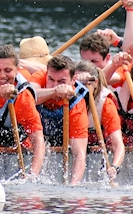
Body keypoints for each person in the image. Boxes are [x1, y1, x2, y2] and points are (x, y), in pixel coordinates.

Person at [0, 44, 47, 177]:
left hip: (17, 148)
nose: (2, 76)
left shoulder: (24, 97)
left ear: (17, 70)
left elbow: (38, 141)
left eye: (8, 70)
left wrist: (33, 175)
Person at [28, 55, 90, 185]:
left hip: (63, 142)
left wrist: (72, 186)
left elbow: (79, 154)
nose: (54, 84)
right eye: (50, 79)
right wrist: (54, 91)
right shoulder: (39, 76)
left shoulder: (77, 102)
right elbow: (30, 96)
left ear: (73, 80)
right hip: (31, 143)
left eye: (61, 81)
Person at [75, 60, 125, 181]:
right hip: (74, 147)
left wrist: (114, 167)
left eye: (85, 84)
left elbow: (118, 144)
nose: (81, 89)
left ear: (95, 83)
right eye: (77, 84)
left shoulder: (105, 103)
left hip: (97, 148)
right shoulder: (68, 97)